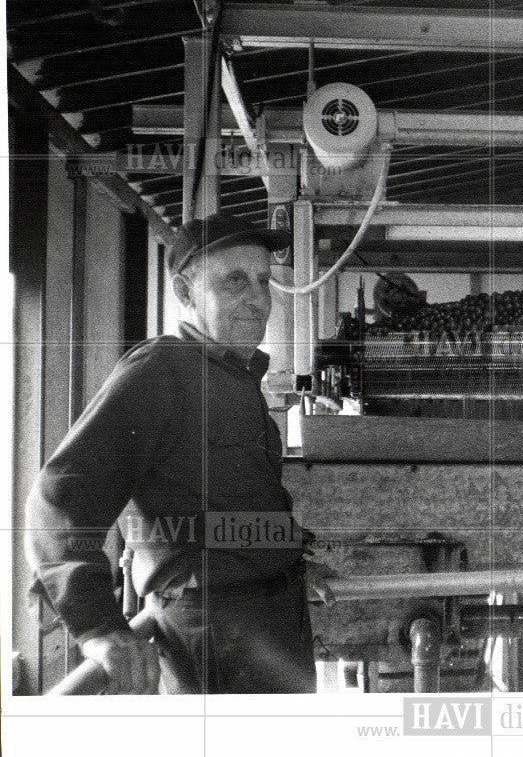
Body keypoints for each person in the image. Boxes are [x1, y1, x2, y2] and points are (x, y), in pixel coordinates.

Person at [26, 213, 325, 694]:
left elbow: (228, 504)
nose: (257, 298)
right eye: (233, 282)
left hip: (274, 619)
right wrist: (98, 627)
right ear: (185, 293)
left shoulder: (236, 376)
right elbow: (57, 501)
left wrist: (288, 555)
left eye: (263, 280)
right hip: (214, 633)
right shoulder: (160, 372)